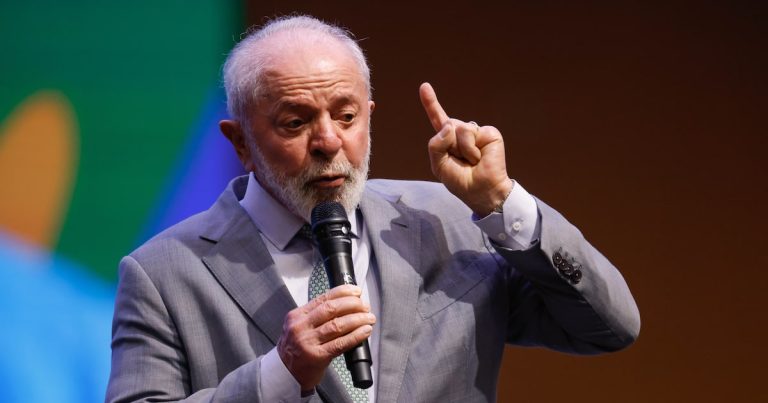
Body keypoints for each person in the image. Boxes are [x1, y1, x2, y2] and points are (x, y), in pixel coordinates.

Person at [106, 15, 640, 403]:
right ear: (240, 141)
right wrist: (278, 374)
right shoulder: (163, 274)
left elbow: (607, 327)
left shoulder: (450, 220)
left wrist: (500, 201)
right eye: (295, 122)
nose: (328, 142)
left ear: (369, 115)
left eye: (346, 116)